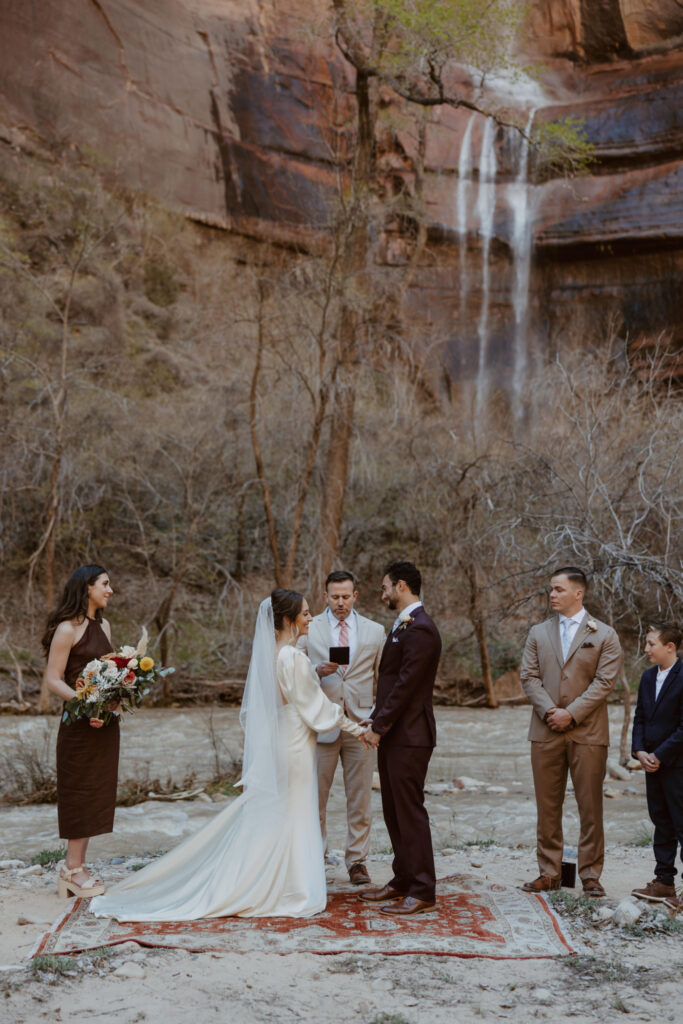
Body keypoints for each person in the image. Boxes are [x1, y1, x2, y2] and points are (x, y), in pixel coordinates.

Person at [91, 589, 366, 921]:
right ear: (287, 620)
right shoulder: (292, 657)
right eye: (305, 614)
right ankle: (290, 887)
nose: (311, 618)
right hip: (295, 743)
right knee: (295, 811)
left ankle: (279, 879)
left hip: (284, 739)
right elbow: (316, 708)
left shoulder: (274, 654)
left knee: (279, 813)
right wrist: (360, 730)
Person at [520, 567, 622, 898]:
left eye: (558, 590)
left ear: (578, 593)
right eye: (550, 589)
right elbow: (529, 677)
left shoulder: (604, 634)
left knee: (590, 807)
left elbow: (604, 682)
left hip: (588, 733)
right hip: (545, 730)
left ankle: (589, 875)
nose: (552, 595)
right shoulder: (538, 632)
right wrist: (551, 712)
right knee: (547, 806)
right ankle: (550, 872)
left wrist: (571, 714)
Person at [359, 561, 442, 916]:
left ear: (401, 586)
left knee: (410, 811)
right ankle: (403, 879)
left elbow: (408, 685)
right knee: (393, 810)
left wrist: (379, 727)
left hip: (410, 735)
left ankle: (423, 889)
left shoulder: (420, 628)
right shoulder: (403, 626)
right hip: (396, 732)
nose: (383, 594)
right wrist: (375, 717)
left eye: (385, 587)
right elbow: (393, 682)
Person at [301, 570, 385, 886]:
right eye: (334, 597)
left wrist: (377, 717)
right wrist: (316, 670)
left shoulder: (375, 631)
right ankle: (315, 857)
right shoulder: (310, 628)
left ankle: (357, 862)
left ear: (355, 596)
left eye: (345, 596)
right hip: (322, 722)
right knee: (315, 797)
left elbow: (384, 678)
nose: (340, 603)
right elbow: (294, 669)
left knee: (360, 797)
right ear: (325, 596)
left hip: (361, 723)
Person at [42, 564, 117, 899]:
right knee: (79, 791)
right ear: (87, 588)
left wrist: (115, 701)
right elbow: (53, 679)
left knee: (96, 792)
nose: (110, 589)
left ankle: (75, 866)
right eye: (104, 583)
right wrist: (86, 703)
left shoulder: (105, 626)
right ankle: (73, 869)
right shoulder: (67, 629)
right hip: (78, 723)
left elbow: (112, 675)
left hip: (103, 724)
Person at [631, 623, 683, 911]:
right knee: (660, 820)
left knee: (682, 823)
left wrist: (660, 755)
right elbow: (640, 718)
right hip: (652, 764)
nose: (646, 648)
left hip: (677, 764)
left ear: (670, 647)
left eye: (651, 644)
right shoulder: (648, 677)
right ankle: (664, 881)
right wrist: (640, 751)